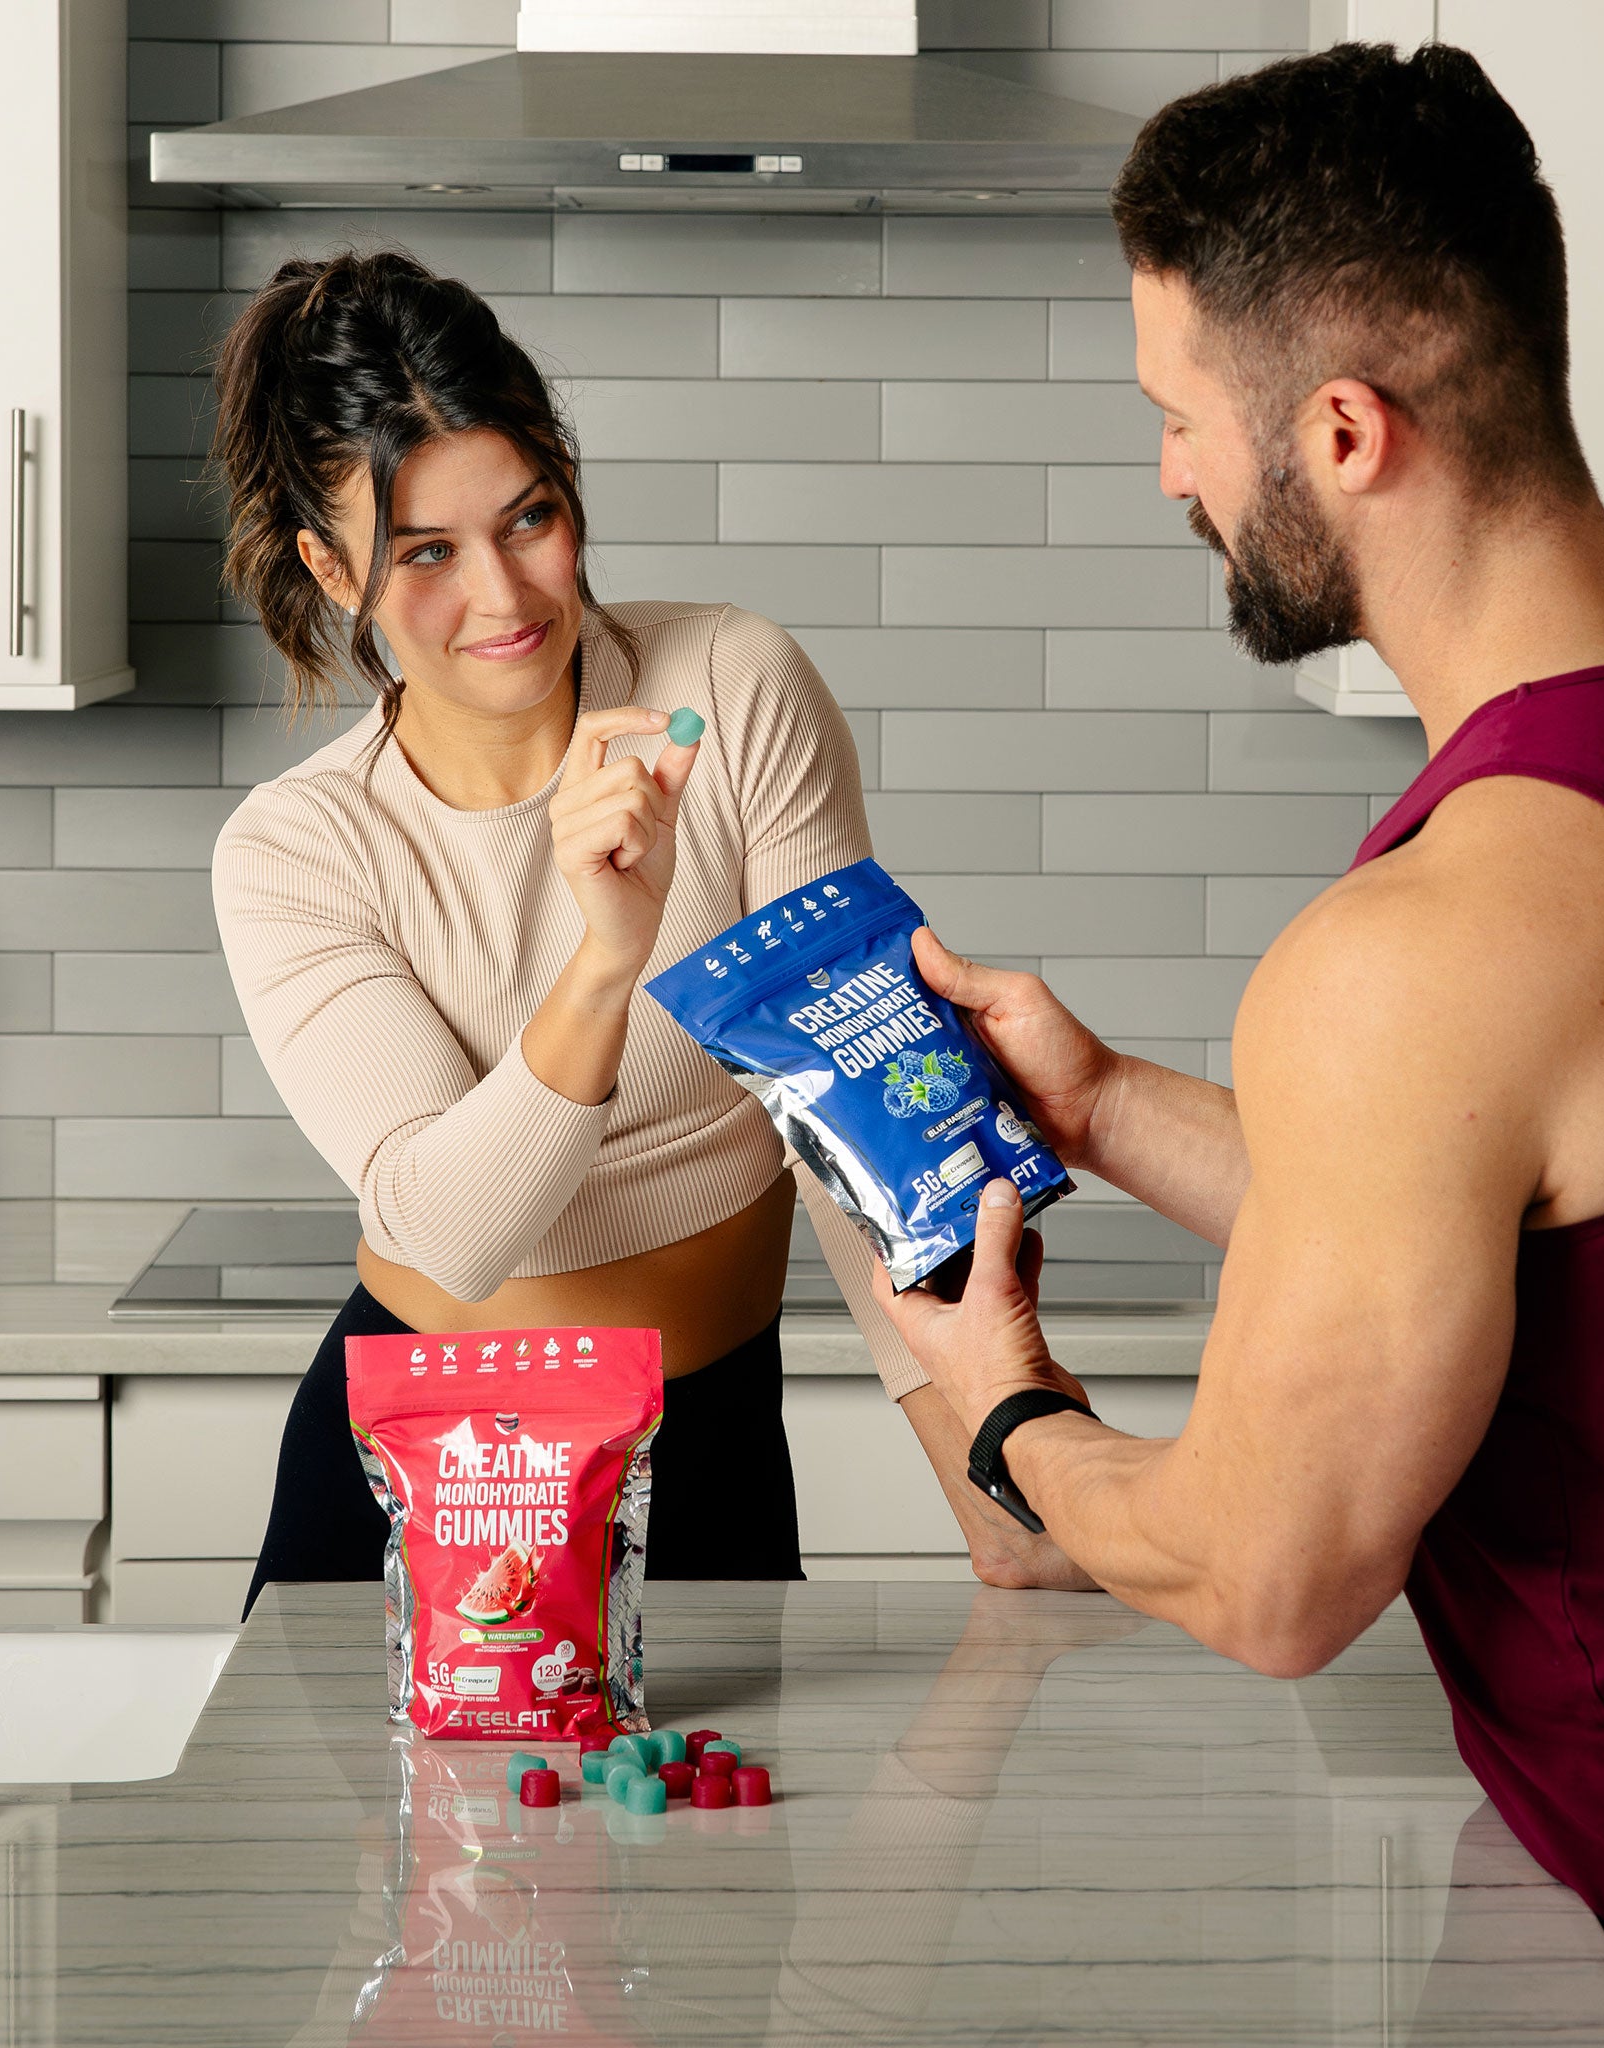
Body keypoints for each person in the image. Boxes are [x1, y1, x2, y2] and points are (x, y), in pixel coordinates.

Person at [877, 43, 1604, 2045]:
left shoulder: (1429, 941)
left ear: (1345, 432)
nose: (1170, 479)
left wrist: (997, 1400)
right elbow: (1548, 1230)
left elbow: (1268, 1581)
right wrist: (1107, 1103)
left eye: (1177, 417)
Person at [208, 250, 1064, 1611]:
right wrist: (610, 955)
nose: (505, 596)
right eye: (425, 552)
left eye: (530, 516)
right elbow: (452, 1230)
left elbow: (852, 1098)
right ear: (330, 566)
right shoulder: (298, 848)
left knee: (730, 1829)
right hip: (419, 1458)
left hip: (704, 1432)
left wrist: (992, 1464)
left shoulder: (727, 686)